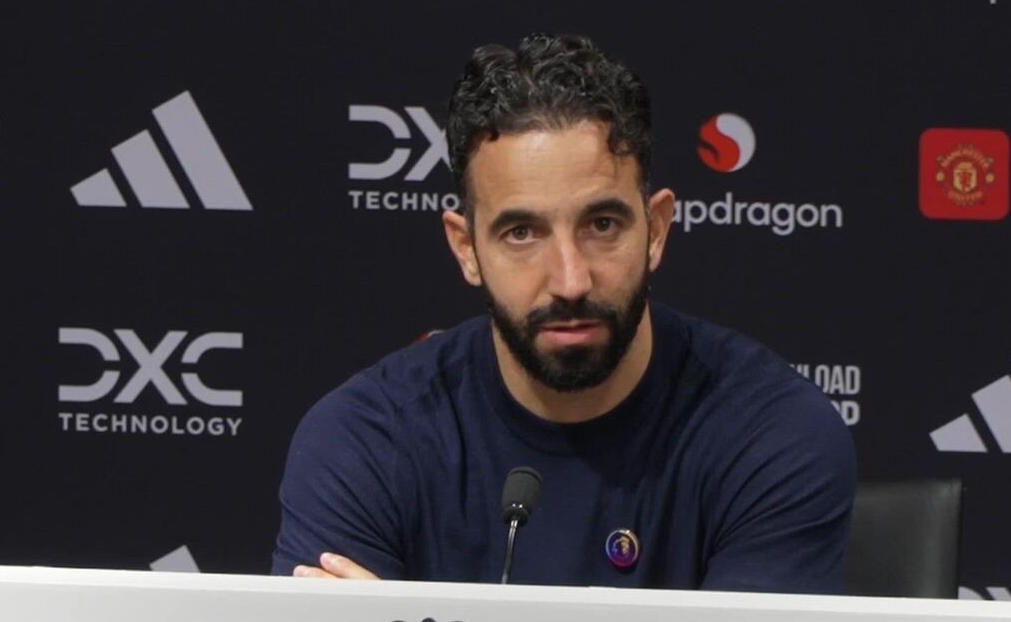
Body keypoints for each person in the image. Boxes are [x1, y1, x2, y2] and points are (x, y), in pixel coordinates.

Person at [272, 33, 855, 593]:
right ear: (466, 247)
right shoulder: (363, 442)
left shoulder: (771, 433)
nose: (571, 281)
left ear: (655, 230)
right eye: (522, 233)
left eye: (602, 225)